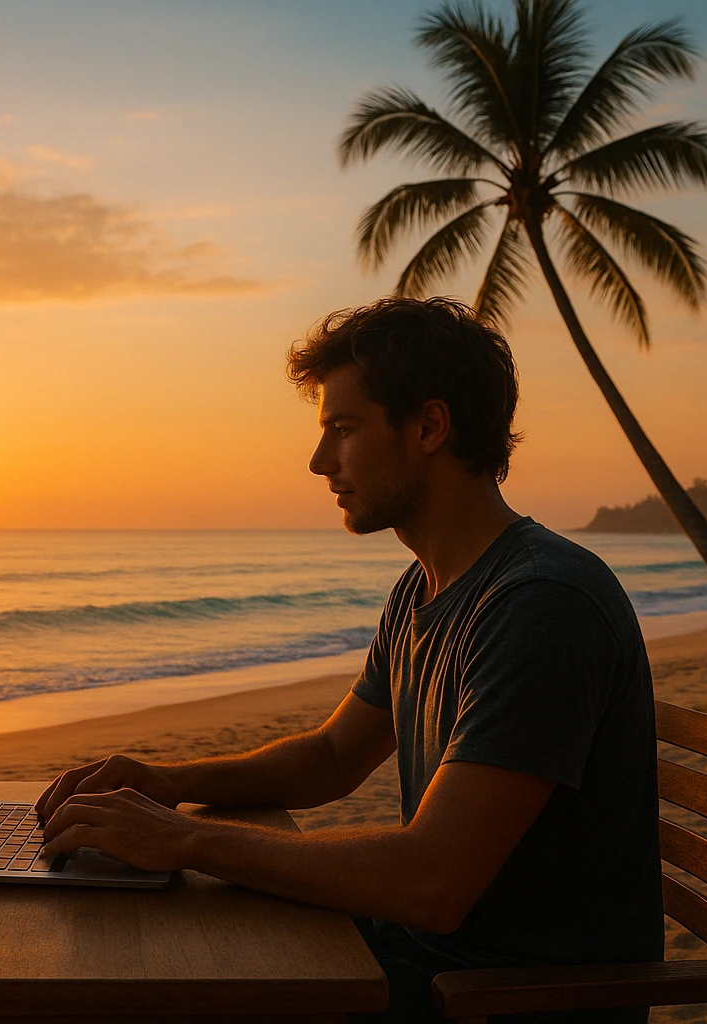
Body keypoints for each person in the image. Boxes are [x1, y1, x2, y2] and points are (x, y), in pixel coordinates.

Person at [37, 297, 664, 1023]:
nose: (318, 462)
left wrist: (184, 840)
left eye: (343, 429)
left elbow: (432, 880)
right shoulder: (426, 587)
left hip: (496, 997)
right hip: (425, 959)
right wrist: (169, 782)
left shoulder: (540, 605)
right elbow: (334, 755)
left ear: (429, 427)